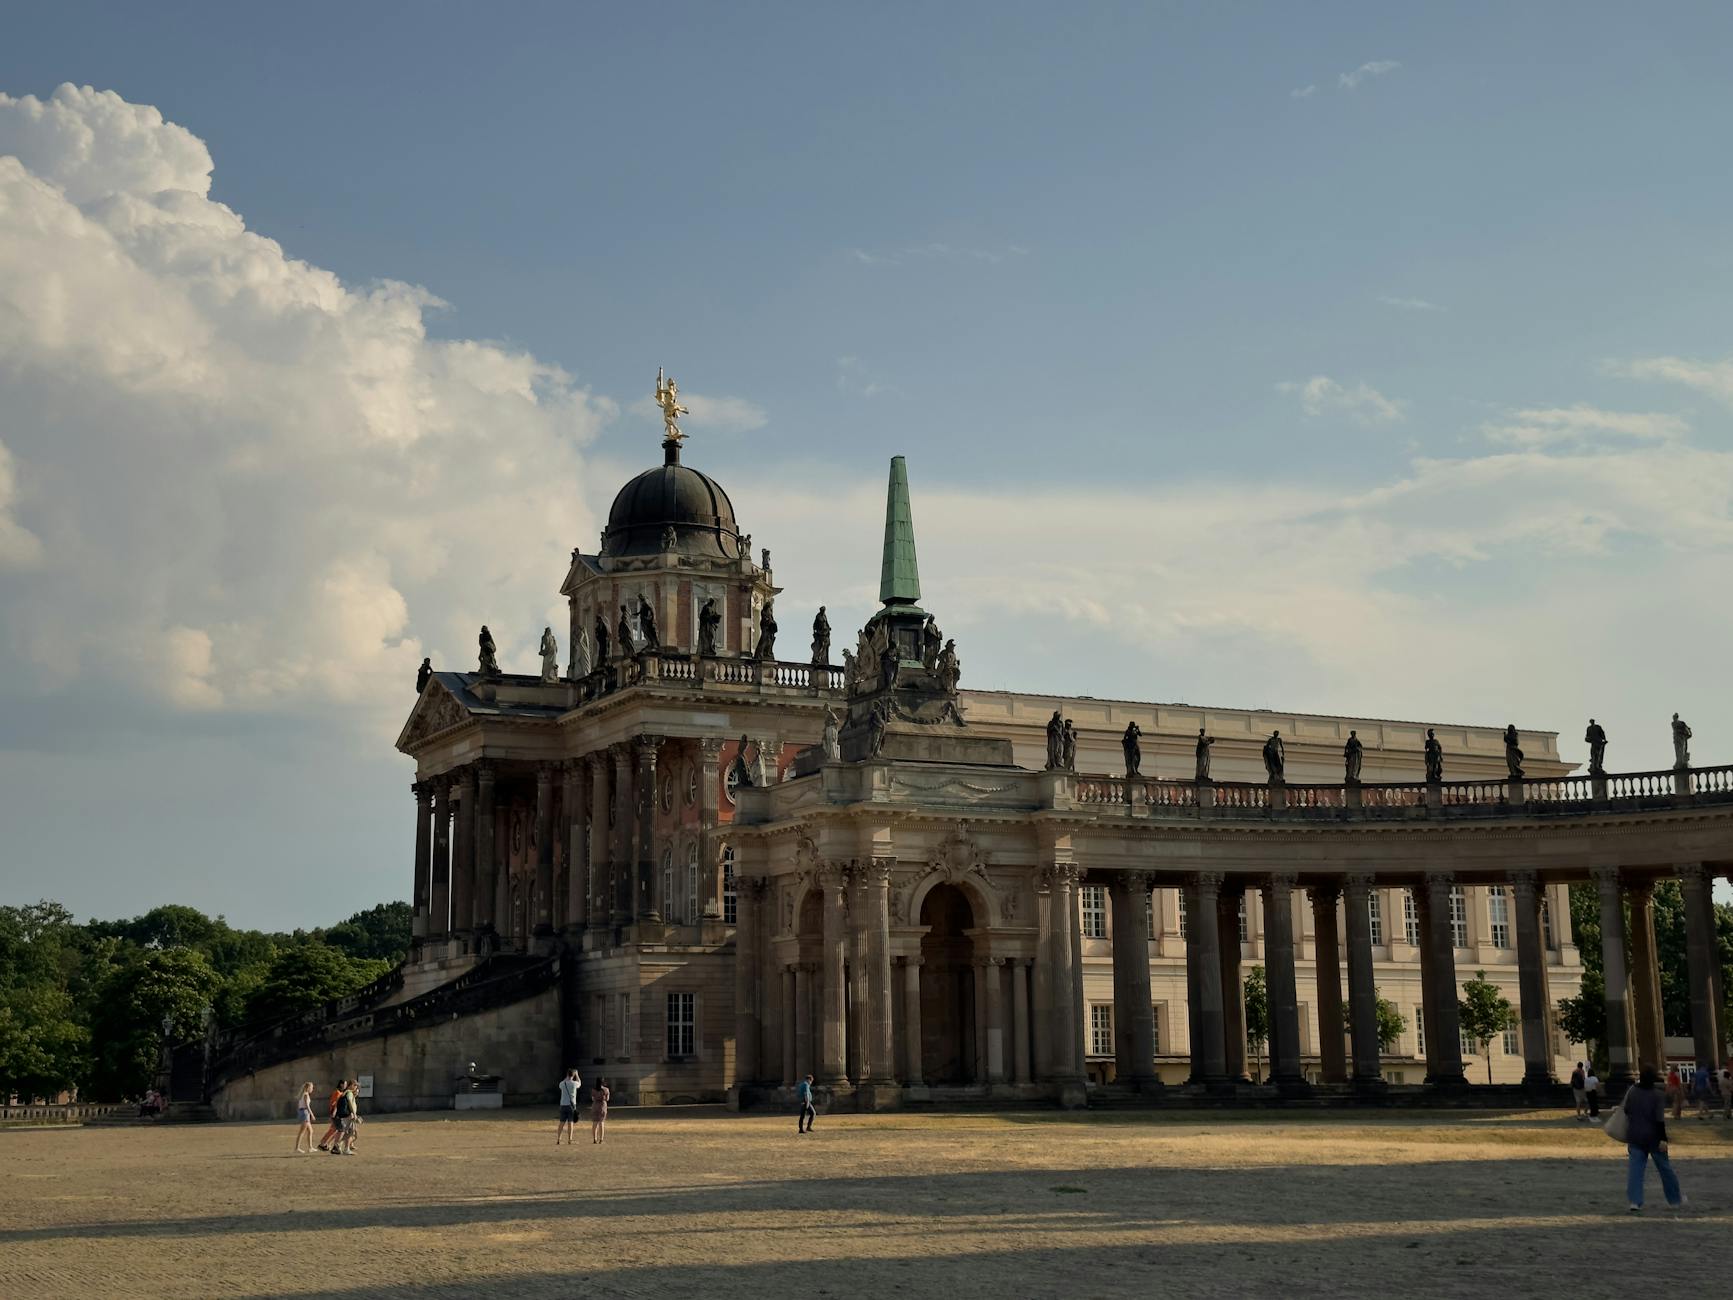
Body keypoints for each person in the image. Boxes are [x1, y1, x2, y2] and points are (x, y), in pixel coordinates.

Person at [1622, 1065, 1684, 1212]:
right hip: (1654, 1137)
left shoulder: (1632, 1092)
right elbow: (1659, 1120)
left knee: (1635, 1171)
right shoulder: (1658, 1095)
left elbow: (1626, 1110)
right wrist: (1664, 1139)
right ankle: (1674, 1200)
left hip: (1635, 1135)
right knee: (1665, 1169)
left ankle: (1635, 1202)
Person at [317, 1080, 346, 1152]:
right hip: (336, 1114)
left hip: (336, 1113)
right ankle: (324, 1144)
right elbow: (334, 1103)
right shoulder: (337, 1093)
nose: (346, 1085)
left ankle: (323, 1143)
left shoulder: (339, 1093)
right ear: (341, 1085)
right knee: (337, 1129)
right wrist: (334, 1112)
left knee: (333, 1129)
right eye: (345, 1084)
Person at [556, 1068, 582, 1146]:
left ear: (567, 1075)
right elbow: (579, 1083)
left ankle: (558, 1139)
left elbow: (561, 1084)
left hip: (563, 1104)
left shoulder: (562, 1083)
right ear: (572, 1075)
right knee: (570, 1123)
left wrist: (567, 1077)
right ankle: (569, 1139)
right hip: (571, 1105)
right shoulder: (574, 1083)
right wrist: (576, 1075)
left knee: (561, 1122)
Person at [293, 1082, 316, 1154]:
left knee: (310, 1131)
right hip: (305, 1113)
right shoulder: (306, 1095)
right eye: (311, 1087)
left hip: (304, 1112)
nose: (312, 1089)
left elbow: (300, 1105)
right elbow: (307, 1105)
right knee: (302, 1132)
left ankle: (310, 1148)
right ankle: (297, 1148)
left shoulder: (303, 1094)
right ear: (308, 1088)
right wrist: (312, 1114)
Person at [590, 1078, 610, 1145]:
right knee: (601, 1123)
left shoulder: (593, 1089)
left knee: (594, 1123)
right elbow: (607, 1099)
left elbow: (592, 1098)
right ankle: (601, 1140)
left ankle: (594, 1139)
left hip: (595, 1106)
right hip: (602, 1106)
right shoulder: (606, 1089)